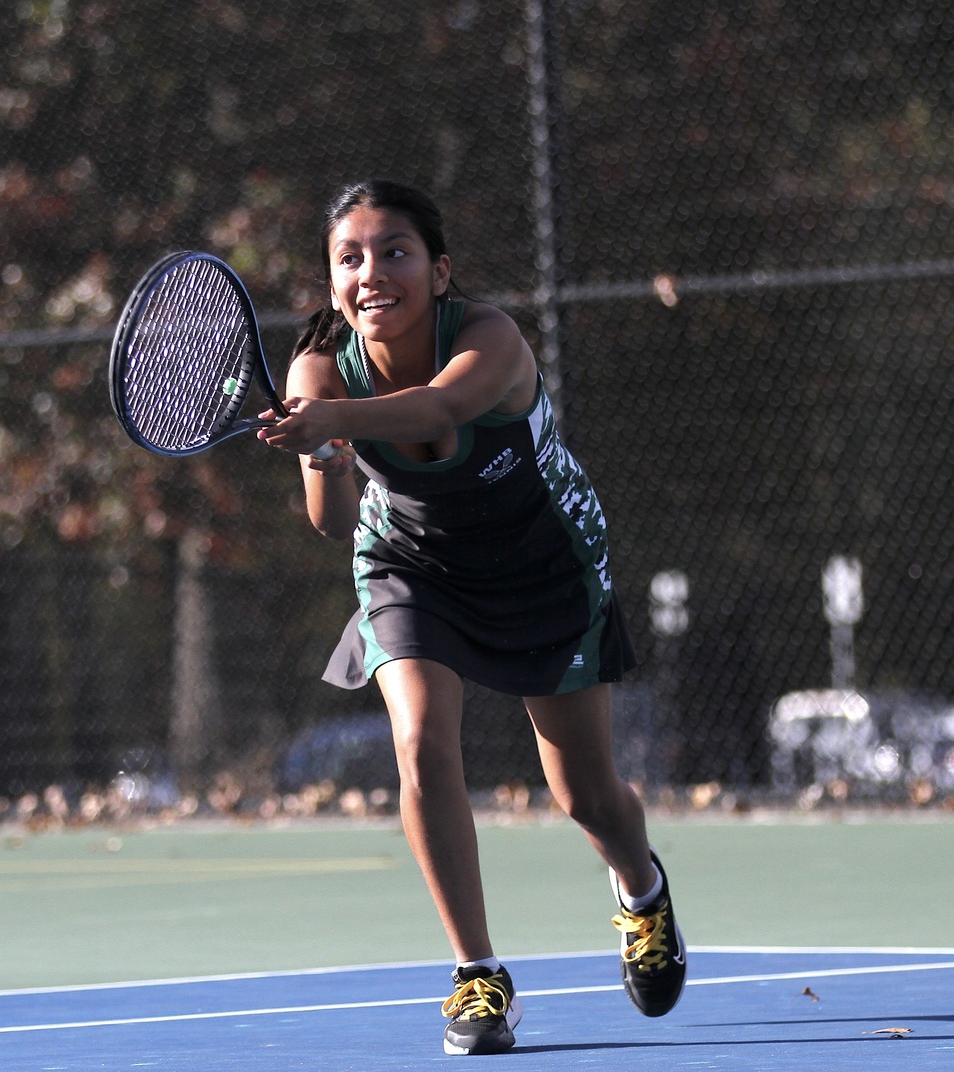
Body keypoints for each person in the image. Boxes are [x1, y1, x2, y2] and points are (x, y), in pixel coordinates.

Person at [258, 179, 685, 1056]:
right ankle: (477, 974)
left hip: (543, 564)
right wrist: (330, 455)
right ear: (332, 280)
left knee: (587, 796)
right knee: (418, 743)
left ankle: (640, 891)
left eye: (394, 252)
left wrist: (336, 419)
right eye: (350, 258)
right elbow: (334, 521)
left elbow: (443, 408)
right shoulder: (318, 369)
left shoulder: (491, 339)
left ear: (440, 270)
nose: (371, 272)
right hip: (410, 567)